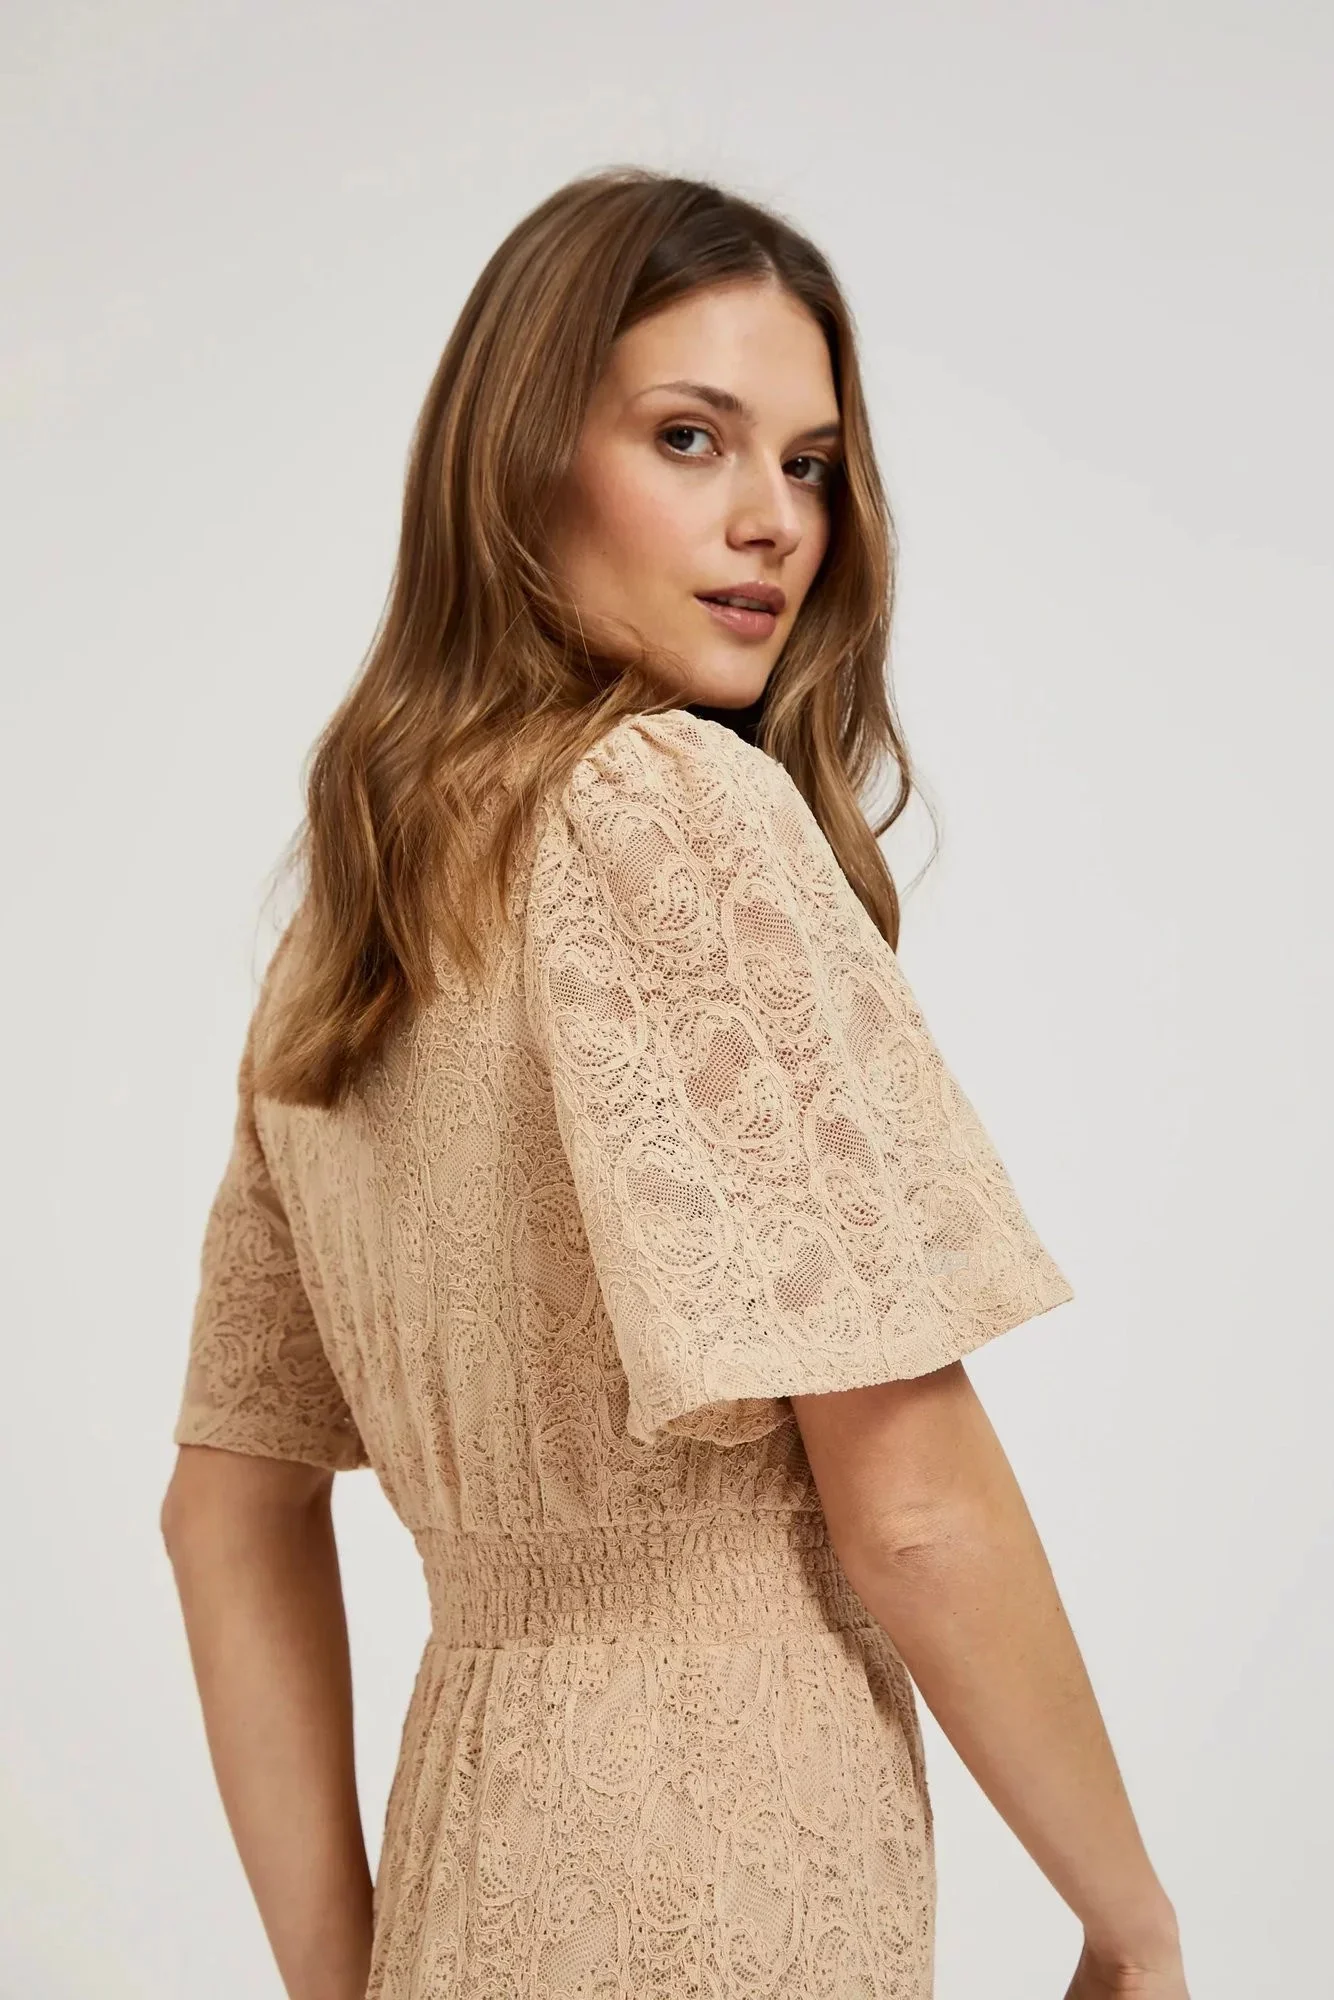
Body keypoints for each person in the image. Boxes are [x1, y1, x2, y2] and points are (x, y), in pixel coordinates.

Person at [159, 167, 1190, 2000]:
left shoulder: (352, 916)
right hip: (731, 1863)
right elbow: (911, 1502)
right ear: (514, 459)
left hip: (469, 1865)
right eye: (688, 437)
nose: (772, 519)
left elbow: (225, 1512)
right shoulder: (673, 805)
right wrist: (1129, 1920)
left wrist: (344, 1977)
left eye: (810, 462)